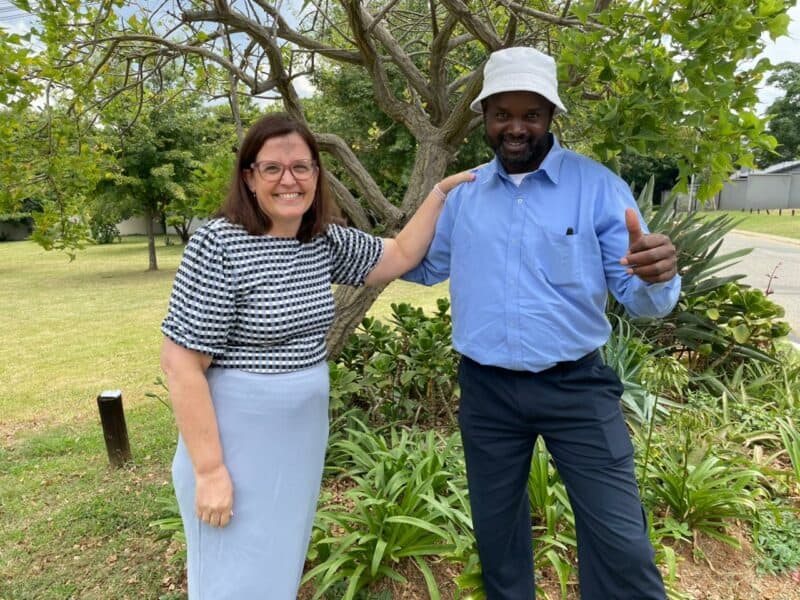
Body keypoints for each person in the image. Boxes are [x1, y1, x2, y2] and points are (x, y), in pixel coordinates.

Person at [403, 47, 680, 599]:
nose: (516, 127)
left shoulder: (598, 187)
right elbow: (422, 266)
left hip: (576, 387)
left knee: (621, 540)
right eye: (502, 113)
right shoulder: (463, 196)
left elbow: (641, 299)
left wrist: (656, 276)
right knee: (498, 539)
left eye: (531, 114)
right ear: (483, 116)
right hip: (487, 391)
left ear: (551, 116)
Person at [159, 112, 472, 599]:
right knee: (230, 581)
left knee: (276, 573)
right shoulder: (218, 244)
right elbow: (181, 364)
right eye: (273, 168)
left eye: (302, 167)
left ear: (317, 176)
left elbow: (400, 254)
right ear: (249, 177)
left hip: (296, 447)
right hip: (235, 447)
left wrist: (439, 194)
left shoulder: (320, 240)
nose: (290, 180)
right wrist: (210, 471)